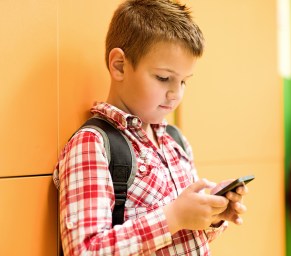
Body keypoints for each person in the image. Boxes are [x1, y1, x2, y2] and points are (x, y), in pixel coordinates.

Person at [52, 0, 249, 255]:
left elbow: (182, 240)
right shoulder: (93, 144)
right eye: (164, 78)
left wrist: (210, 215)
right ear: (119, 65)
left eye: (184, 81)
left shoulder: (174, 140)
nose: (175, 94)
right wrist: (173, 217)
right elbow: (85, 250)